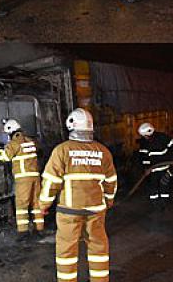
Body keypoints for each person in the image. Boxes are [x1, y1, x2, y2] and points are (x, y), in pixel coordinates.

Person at [40, 108, 117, 282]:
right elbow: (111, 181)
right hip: (96, 210)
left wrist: (43, 205)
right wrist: (109, 200)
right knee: (98, 248)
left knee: (66, 250)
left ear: (71, 125)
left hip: (69, 211)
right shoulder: (103, 151)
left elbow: (51, 181)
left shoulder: (62, 150)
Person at [0, 118, 44, 237]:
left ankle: (23, 232)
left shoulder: (14, 143)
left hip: (23, 178)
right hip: (36, 177)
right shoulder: (30, 141)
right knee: (36, 204)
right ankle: (39, 230)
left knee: (22, 205)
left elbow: (5, 157)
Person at [137, 122, 173, 210]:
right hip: (153, 170)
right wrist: (146, 169)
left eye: (145, 136)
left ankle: (163, 204)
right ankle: (155, 204)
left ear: (150, 133)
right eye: (143, 136)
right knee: (153, 187)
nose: (144, 138)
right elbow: (144, 157)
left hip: (165, 168)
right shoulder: (144, 142)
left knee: (164, 185)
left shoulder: (163, 138)